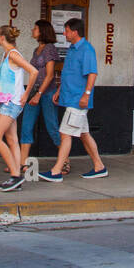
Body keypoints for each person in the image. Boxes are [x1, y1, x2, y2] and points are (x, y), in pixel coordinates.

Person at [39, 17, 107, 181]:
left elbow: (92, 73)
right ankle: (99, 167)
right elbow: (69, 72)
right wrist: (60, 90)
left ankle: (56, 171)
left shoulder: (87, 49)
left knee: (64, 134)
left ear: (75, 32)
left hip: (77, 101)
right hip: (69, 97)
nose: (64, 33)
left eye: (67, 31)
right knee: (84, 135)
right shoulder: (72, 49)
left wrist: (87, 94)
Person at [0, 25, 36, 192]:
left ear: (2, 37)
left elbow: (33, 71)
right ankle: (16, 179)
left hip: (11, 103)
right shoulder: (7, 54)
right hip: (7, 101)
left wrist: (26, 95)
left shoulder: (13, 55)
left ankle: (15, 175)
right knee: (12, 140)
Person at [19, 19, 66, 173]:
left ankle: (65, 160)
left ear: (42, 31)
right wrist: (30, 93)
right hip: (33, 91)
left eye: (35, 28)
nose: (33, 30)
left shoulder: (49, 49)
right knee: (26, 125)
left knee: (52, 126)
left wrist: (39, 94)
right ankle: (22, 163)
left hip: (47, 93)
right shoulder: (36, 50)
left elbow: (50, 75)